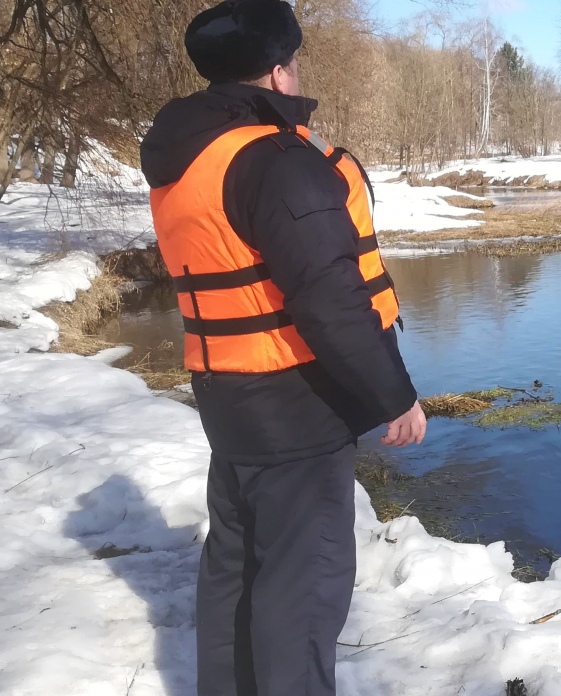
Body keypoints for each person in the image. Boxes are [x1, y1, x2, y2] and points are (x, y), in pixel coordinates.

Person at [139, 1, 426, 694]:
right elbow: (331, 299)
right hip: (297, 405)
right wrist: (397, 396)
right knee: (302, 590)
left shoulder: (189, 155)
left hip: (228, 399)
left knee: (236, 572)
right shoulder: (278, 161)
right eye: (294, 60)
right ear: (278, 69)